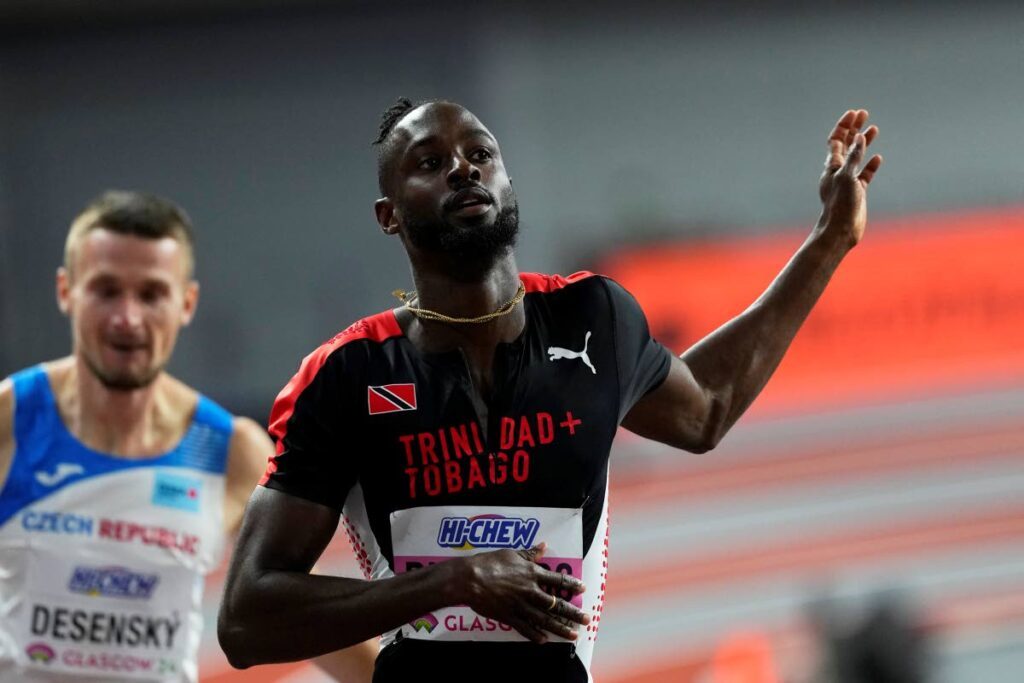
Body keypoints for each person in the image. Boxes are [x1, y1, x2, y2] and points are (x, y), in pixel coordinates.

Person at [218, 100, 883, 682]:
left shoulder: (593, 316)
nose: (463, 168)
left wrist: (830, 240)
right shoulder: (346, 374)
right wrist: (449, 583)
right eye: (431, 161)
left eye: (481, 154)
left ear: (509, 183)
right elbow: (247, 619)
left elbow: (705, 408)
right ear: (389, 215)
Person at [0, 191, 376, 681]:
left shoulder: (228, 451)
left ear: (187, 302)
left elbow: (301, 615)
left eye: (151, 294)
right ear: (66, 291)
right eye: (106, 290)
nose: (127, 318)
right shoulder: (10, 420)